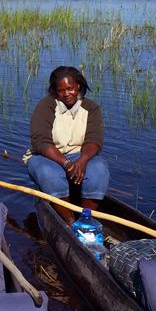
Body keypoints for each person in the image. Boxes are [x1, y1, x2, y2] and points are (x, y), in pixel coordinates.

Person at [26, 66, 110, 224]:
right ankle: (70, 221)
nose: (66, 94)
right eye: (61, 90)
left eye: (70, 88)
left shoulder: (91, 108)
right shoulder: (46, 106)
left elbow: (94, 139)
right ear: (56, 91)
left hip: (80, 155)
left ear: (78, 86)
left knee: (99, 170)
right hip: (47, 157)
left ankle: (85, 220)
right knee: (47, 173)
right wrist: (65, 163)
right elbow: (40, 141)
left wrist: (82, 161)